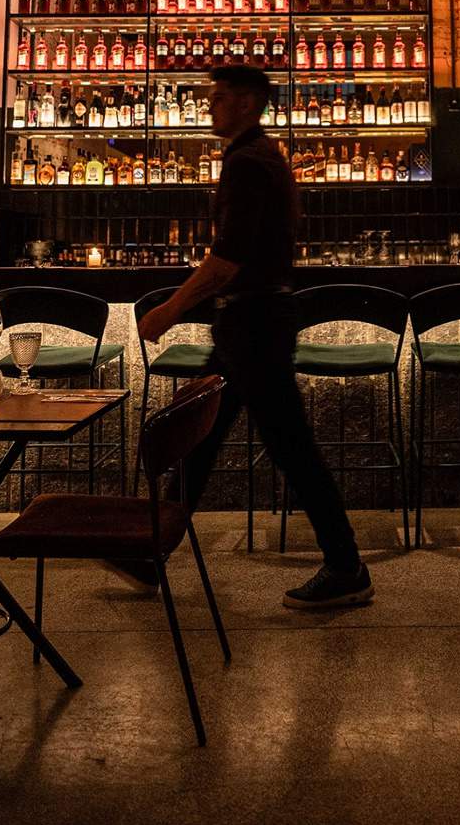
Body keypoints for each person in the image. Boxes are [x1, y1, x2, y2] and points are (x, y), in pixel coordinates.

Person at [135, 64, 372, 610]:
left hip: (255, 323)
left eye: (218, 97)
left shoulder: (248, 163)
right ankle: (151, 549)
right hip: (251, 320)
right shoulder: (261, 156)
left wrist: (169, 310)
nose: (209, 105)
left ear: (246, 103)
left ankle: (346, 566)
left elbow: (227, 261)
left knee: (290, 446)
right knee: (199, 438)